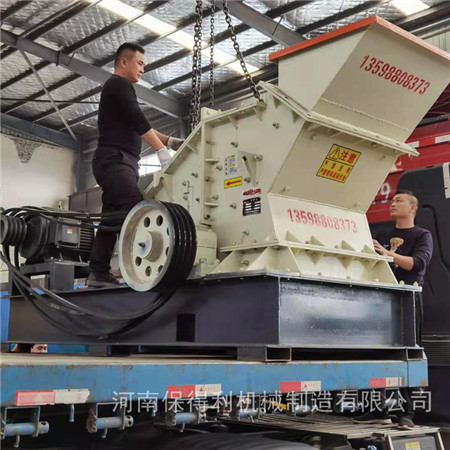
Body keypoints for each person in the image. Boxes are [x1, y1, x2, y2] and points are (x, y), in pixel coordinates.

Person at [87, 43, 184, 288]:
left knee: (112, 218)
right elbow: (138, 119)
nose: (143, 69)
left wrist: (170, 141)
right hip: (115, 160)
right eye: (140, 64)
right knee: (136, 210)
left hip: (117, 162)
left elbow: (135, 123)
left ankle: (98, 273)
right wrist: (161, 151)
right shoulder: (118, 84)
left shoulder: (119, 89)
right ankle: (144, 270)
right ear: (124, 62)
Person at [354, 190, 433, 429]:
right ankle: (378, 410)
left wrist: (387, 253)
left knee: (407, 355)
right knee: (374, 354)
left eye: (399, 200)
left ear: (413, 208)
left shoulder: (422, 235)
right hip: (379, 299)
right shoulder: (381, 235)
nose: (392, 203)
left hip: (407, 298)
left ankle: (407, 413)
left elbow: (417, 264)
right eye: (392, 200)